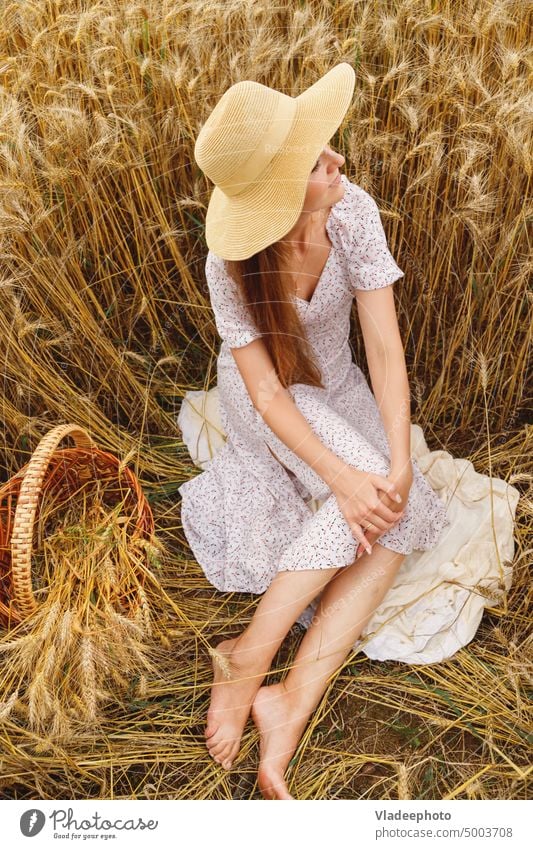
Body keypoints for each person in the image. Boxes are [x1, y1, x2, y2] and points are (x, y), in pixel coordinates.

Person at [178, 63, 450, 799]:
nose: (337, 160)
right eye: (313, 161)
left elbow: (386, 348)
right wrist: (340, 475)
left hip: (342, 386)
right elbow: (265, 387)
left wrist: (395, 458)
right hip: (266, 401)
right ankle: (244, 656)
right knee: (353, 497)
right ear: (272, 194)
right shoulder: (228, 259)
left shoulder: (352, 209)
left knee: (395, 503)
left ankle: (287, 699)